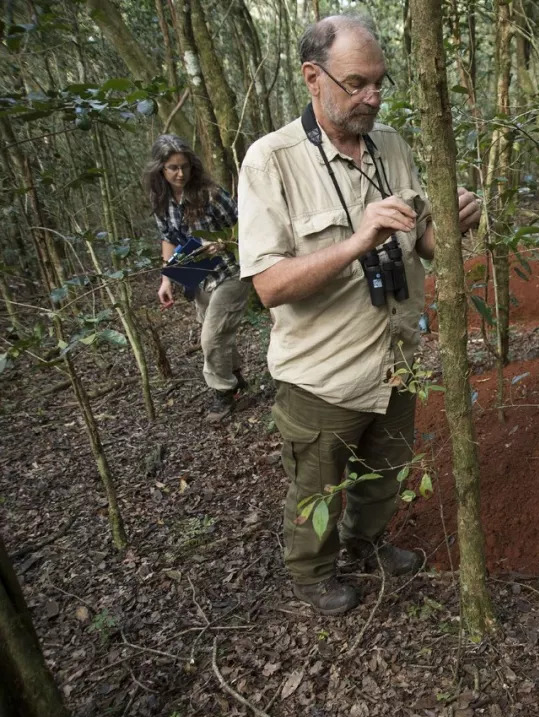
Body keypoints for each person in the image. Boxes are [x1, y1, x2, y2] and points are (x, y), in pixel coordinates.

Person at [238, 16, 482, 615]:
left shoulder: (390, 145)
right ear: (312, 78)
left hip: (396, 359)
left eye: (380, 82)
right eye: (356, 83)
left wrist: (453, 225)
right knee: (316, 486)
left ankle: (367, 545)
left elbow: (423, 245)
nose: (372, 96)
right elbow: (267, 286)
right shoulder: (271, 161)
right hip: (323, 373)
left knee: (384, 473)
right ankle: (311, 577)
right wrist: (356, 241)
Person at [143, 134, 251, 421]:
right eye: (173, 168)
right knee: (216, 331)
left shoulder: (210, 194)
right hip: (198, 276)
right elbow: (167, 238)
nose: (180, 174)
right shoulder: (162, 200)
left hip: (230, 271)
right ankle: (237, 380)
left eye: (185, 166)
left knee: (211, 336)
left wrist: (223, 242)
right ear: (160, 170)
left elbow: (245, 227)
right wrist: (166, 279)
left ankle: (223, 393)